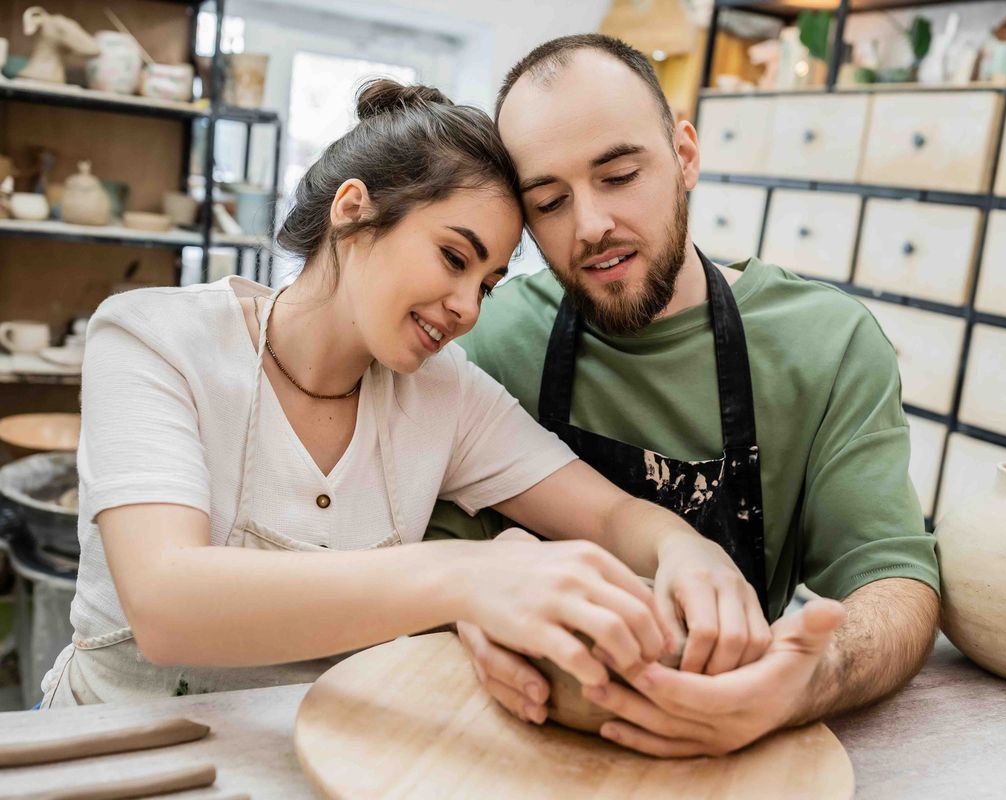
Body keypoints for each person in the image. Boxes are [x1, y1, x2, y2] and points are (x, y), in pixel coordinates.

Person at [39, 80, 768, 709]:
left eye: (486, 284)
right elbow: (169, 604)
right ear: (353, 210)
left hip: (321, 750)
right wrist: (467, 576)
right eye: (453, 257)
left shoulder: (444, 396)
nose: (467, 309)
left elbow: (608, 514)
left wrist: (683, 550)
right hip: (111, 745)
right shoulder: (154, 339)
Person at [428, 35, 942, 757]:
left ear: (685, 156)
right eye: (549, 201)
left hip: (730, 745)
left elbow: (896, 581)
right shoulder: (489, 340)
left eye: (619, 175)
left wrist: (807, 683)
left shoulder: (827, 345)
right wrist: (469, 606)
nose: (590, 226)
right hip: (526, 740)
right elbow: (432, 555)